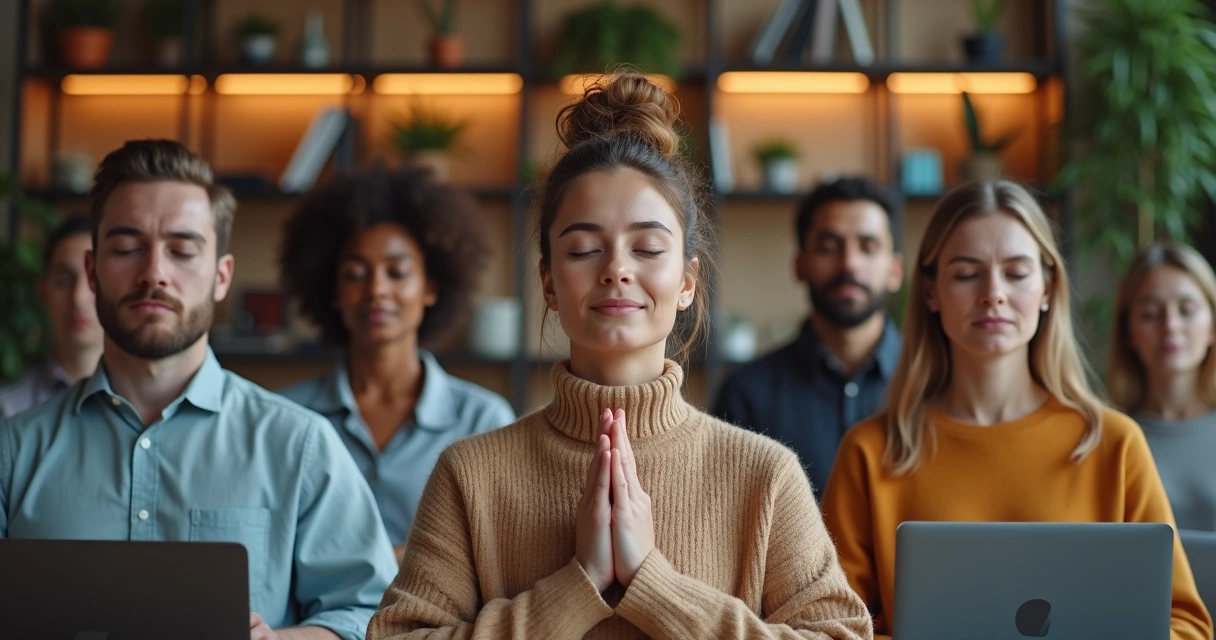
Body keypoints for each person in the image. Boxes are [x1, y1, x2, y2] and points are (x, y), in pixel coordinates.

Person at [366, 73, 872, 639]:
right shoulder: (470, 475)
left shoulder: (765, 475)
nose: (616, 269)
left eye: (648, 247)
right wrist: (576, 586)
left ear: (687, 281)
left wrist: (655, 587)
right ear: (550, 283)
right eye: (583, 248)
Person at [0, 140, 398, 640]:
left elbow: (371, 617)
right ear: (91, 271)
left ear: (221, 276)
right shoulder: (13, 452)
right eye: (126, 248)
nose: (154, 273)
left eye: (182, 250)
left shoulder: (300, 447)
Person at [820, 180, 1212, 640]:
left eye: (1017, 272)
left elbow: (1187, 625)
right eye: (967, 274)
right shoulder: (871, 451)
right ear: (930, 292)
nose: (993, 293)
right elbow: (831, 629)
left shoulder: (1113, 443)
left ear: (1048, 287)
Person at [277, 167, 515, 560]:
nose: (376, 290)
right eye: (355, 274)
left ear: (431, 287)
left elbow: (500, 554)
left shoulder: (483, 421)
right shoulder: (287, 417)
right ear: (332, 291)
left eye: (397, 272)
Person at [712, 177, 903, 496]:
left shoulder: (936, 385)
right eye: (829, 247)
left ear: (895, 270)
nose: (849, 263)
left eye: (868, 247)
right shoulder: (747, 394)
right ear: (800, 266)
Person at [1110, 242, 1216, 532]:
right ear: (1129, 331)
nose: (1170, 325)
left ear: (1212, 327)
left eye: (1187, 310)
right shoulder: (1108, 436)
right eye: (1151, 314)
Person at [0, 215, 103, 418]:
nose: (78, 299)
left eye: (94, 281)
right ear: (43, 291)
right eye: (63, 281)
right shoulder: (9, 409)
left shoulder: (146, 405)